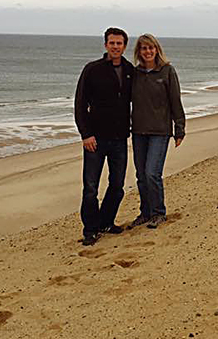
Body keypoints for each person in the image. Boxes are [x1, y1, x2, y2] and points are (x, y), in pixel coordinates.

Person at [74, 27, 134, 246]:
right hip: (95, 140)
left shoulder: (130, 70)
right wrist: (86, 134)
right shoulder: (92, 69)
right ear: (105, 45)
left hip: (119, 138)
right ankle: (90, 229)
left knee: (117, 185)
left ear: (125, 46)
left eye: (119, 43)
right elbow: (80, 103)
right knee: (90, 187)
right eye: (112, 43)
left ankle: (106, 222)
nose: (115, 46)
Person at [130, 33, 185, 229]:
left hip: (160, 131)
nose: (147, 51)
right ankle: (145, 213)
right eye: (144, 48)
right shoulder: (134, 74)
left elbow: (175, 101)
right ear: (139, 51)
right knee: (141, 175)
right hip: (138, 131)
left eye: (151, 48)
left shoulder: (167, 71)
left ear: (157, 49)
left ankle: (158, 213)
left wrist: (179, 129)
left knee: (152, 172)